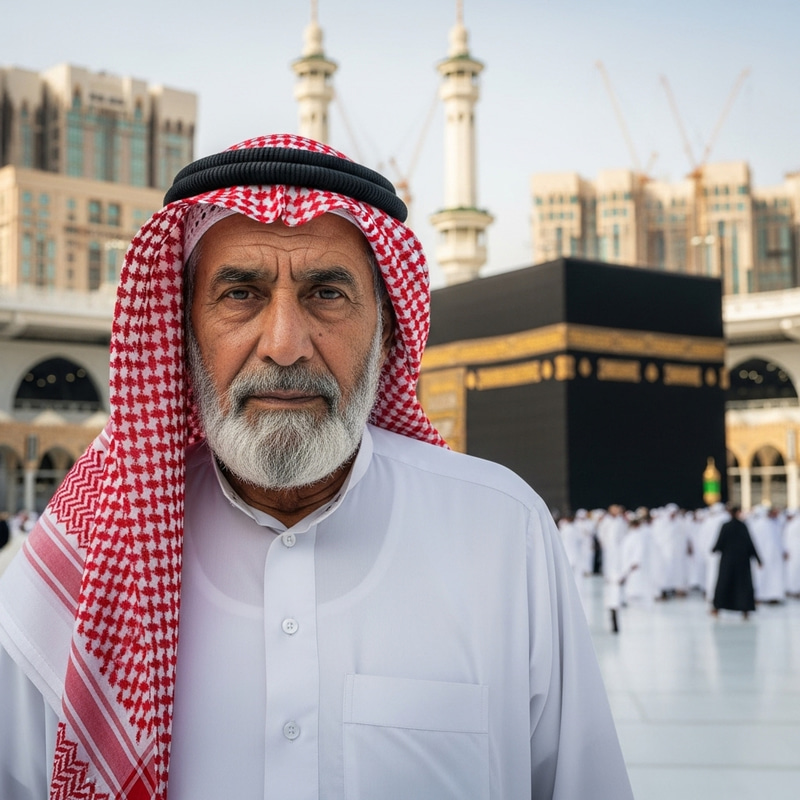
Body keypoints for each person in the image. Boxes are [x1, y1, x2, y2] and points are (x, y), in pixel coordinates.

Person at [0, 134, 633, 800]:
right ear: (183, 332)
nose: (285, 345)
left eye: (327, 293)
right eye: (240, 294)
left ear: (386, 332)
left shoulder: (501, 532)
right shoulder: (84, 561)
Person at [711, 505, 762, 619]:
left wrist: (714, 549)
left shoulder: (726, 526)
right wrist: (758, 559)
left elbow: (720, 543)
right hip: (742, 561)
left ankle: (717, 608)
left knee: (724, 583)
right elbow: (750, 544)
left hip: (728, 561)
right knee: (742, 585)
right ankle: (745, 609)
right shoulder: (743, 526)